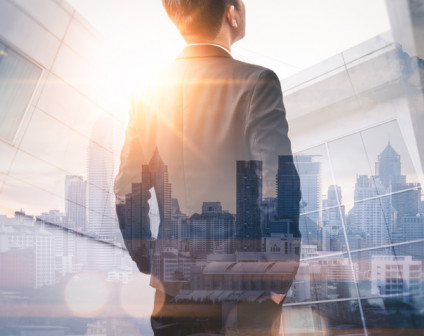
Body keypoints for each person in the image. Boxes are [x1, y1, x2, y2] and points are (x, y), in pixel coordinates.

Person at [114, 0, 301, 334]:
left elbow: (128, 186)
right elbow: (279, 182)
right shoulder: (257, 82)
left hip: (174, 288)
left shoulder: (145, 91)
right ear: (231, 13)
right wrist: (280, 278)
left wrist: (149, 260)